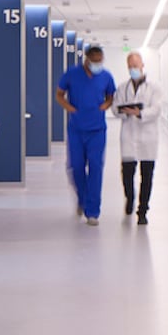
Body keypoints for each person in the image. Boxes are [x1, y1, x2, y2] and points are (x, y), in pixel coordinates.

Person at [56, 44, 115, 226]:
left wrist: (104, 106)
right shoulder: (72, 74)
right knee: (76, 166)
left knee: (96, 167)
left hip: (97, 130)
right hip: (76, 129)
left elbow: (111, 96)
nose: (98, 64)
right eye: (95, 61)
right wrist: (70, 109)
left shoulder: (105, 76)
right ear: (87, 60)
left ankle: (93, 211)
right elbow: (59, 94)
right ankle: (82, 198)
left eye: (100, 61)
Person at [114, 51, 161, 225]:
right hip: (128, 135)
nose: (134, 69)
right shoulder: (122, 87)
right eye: (130, 66)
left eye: (136, 65)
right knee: (127, 174)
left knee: (146, 176)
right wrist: (124, 112)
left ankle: (142, 211)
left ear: (142, 65)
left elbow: (156, 110)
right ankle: (130, 197)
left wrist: (140, 113)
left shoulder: (154, 87)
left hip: (148, 137)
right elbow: (114, 108)